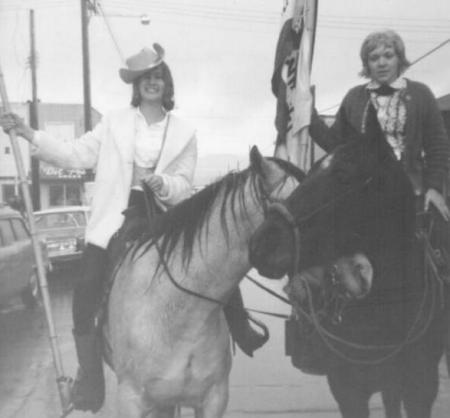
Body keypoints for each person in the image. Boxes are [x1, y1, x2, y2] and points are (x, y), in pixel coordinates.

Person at [0, 44, 267, 413]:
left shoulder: (185, 131)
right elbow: (76, 154)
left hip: (166, 217)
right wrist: (30, 134)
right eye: (146, 78)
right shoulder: (113, 122)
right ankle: (91, 381)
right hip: (117, 217)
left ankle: (240, 327)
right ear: (137, 86)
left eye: (158, 77)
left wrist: (164, 184)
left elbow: (184, 182)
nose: (153, 83)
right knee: (86, 292)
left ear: (166, 83)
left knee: (215, 266)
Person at [309, 29, 450, 222]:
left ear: (399, 59)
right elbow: (338, 146)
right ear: (367, 64)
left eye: (388, 56)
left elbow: (438, 147)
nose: (381, 63)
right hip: (362, 198)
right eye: (374, 58)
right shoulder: (354, 98)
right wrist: (309, 118)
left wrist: (434, 188)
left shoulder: (421, 94)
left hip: (412, 196)